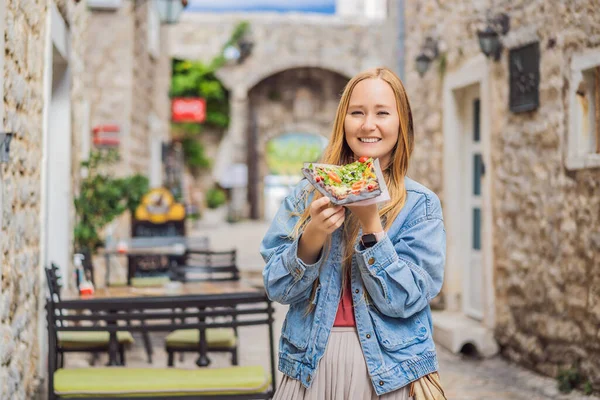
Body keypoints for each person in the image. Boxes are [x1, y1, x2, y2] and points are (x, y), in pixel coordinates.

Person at [260, 67, 446, 400]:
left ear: (402, 123)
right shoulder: (306, 196)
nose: (368, 124)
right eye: (356, 112)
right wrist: (312, 237)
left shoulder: (420, 205)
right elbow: (276, 286)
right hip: (311, 366)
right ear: (342, 121)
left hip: (389, 373)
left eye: (382, 113)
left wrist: (372, 226)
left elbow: (408, 300)